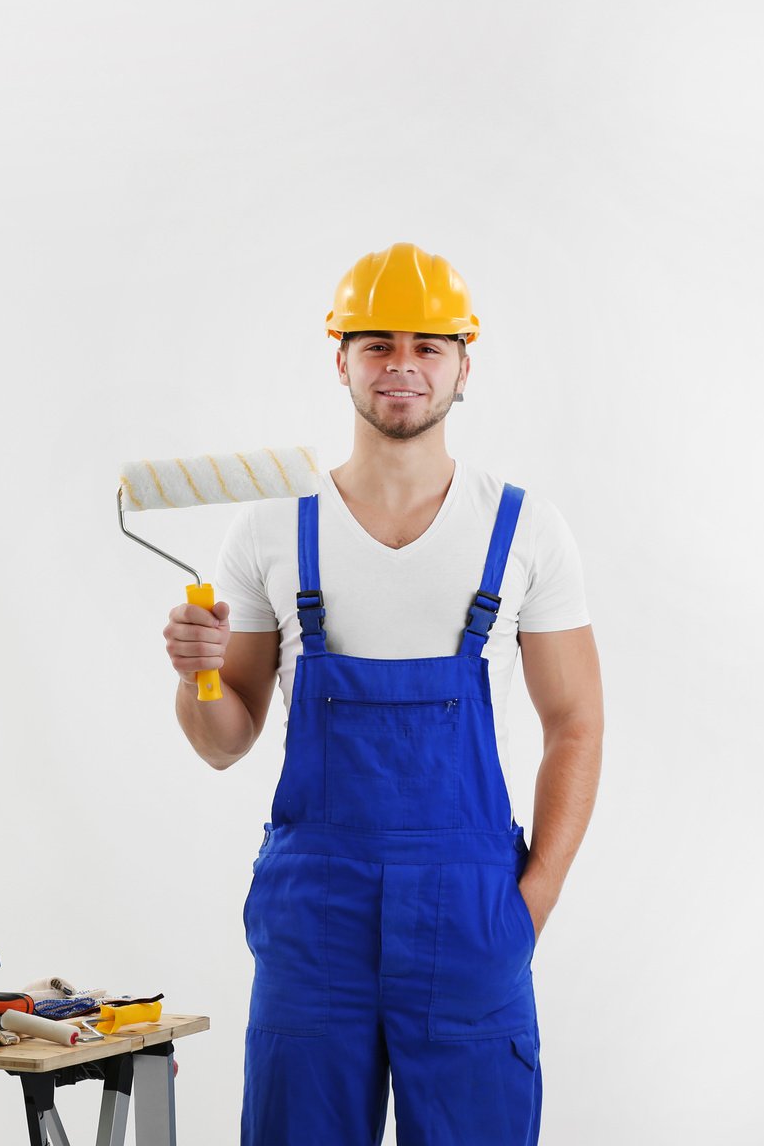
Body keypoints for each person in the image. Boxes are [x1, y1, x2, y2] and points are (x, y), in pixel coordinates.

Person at [163, 242, 603, 1144]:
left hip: (473, 909)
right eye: (376, 344)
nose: (401, 364)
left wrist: (534, 901)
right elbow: (222, 738)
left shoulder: (524, 528)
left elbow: (576, 723)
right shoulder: (273, 525)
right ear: (341, 360)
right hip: (315, 913)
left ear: (462, 365)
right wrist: (197, 672)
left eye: (427, 345)